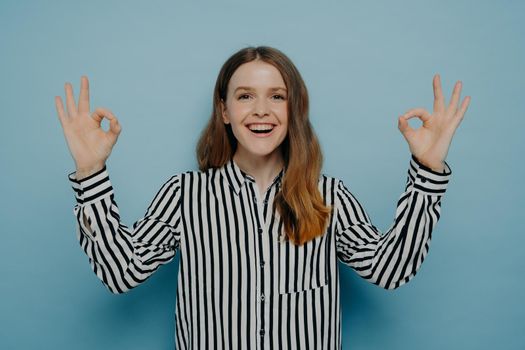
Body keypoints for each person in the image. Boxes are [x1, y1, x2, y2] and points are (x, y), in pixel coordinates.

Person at [55, 46, 470, 350]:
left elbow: (391, 268)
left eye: (277, 95)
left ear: (294, 110)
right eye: (244, 95)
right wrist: (91, 172)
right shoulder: (185, 195)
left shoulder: (329, 197)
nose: (261, 110)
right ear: (224, 111)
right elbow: (119, 271)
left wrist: (428, 171)